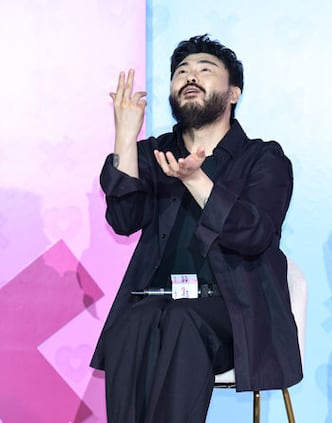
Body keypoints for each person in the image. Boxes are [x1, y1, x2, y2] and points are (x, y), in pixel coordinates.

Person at [90, 33, 302, 422]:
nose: (190, 76)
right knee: (130, 323)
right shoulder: (154, 154)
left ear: (233, 93)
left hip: (235, 312)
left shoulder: (263, 158)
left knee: (182, 321)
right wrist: (125, 136)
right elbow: (123, 220)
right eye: (182, 71)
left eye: (205, 69)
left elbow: (255, 234)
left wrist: (195, 179)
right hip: (159, 304)